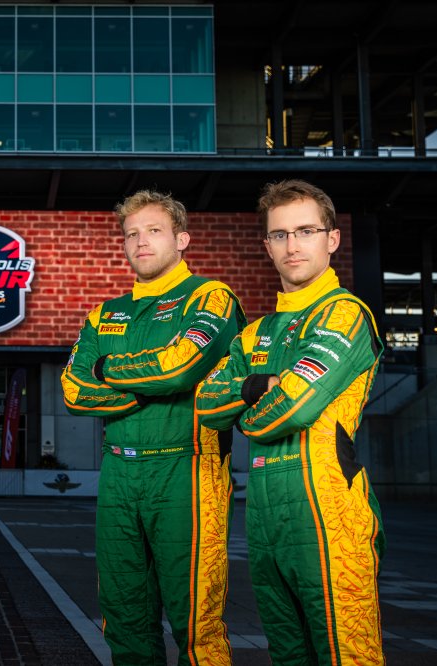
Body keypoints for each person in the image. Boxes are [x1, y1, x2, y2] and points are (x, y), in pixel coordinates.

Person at [196, 180, 385, 664]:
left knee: (349, 655)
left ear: (332, 239)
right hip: (262, 513)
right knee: (286, 655)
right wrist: (258, 387)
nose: (292, 245)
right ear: (267, 246)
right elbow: (206, 403)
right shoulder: (254, 332)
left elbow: (293, 407)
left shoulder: (345, 314)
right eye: (279, 235)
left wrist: (245, 408)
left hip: (329, 509)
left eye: (305, 231)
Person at [61, 190, 245, 665]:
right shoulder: (105, 313)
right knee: (123, 617)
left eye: (154, 231)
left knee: (196, 623)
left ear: (181, 239)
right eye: (131, 234)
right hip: (118, 475)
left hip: (188, 470)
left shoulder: (211, 297)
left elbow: (180, 368)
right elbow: (74, 391)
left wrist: (108, 370)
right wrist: (149, 386)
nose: (141, 242)